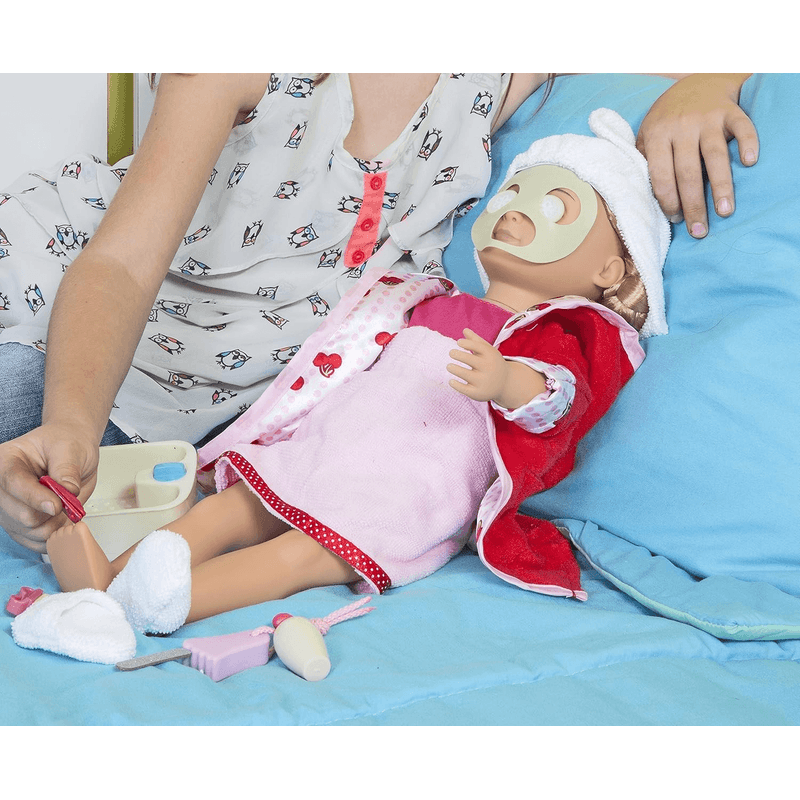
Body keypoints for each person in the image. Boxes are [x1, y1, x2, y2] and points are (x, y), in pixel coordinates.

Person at [0, 73, 756, 555]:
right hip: (62, 322)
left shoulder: (493, 70)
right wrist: (70, 420)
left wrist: (710, 78)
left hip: (197, 420)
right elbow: (120, 264)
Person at [26, 109, 667, 644]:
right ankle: (105, 582)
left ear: (611, 271)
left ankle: (157, 607)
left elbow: (561, 403)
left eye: (554, 207)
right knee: (232, 508)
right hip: (333, 443)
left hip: (406, 486)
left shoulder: (560, 336)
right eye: (514, 193)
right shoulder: (427, 293)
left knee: (303, 555)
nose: (516, 212)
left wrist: (507, 382)